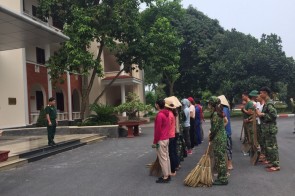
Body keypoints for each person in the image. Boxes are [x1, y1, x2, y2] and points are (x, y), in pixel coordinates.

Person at [256, 87, 280, 172]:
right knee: (268, 146)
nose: (260, 94)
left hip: (270, 129)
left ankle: (276, 165)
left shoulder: (269, 103)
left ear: (265, 93)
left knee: (272, 147)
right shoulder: (267, 103)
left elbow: (274, 115)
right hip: (267, 129)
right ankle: (271, 162)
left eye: (261, 93)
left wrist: (262, 114)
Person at [208, 96, 228, 185]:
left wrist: (211, 137)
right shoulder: (219, 112)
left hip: (218, 138)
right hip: (221, 137)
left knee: (220, 159)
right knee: (220, 158)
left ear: (212, 104)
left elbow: (215, 128)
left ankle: (223, 179)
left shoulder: (216, 114)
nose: (208, 105)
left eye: (209, 103)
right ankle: (221, 176)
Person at [153, 99, 171, 183]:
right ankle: (168, 173)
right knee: (166, 157)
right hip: (166, 138)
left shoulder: (160, 115)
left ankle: (165, 176)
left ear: (157, 105)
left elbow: (158, 130)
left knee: (162, 159)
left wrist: (155, 141)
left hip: (161, 139)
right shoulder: (167, 113)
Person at [218, 95, 233, 170]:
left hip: (225, 131)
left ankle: (230, 164)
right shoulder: (224, 108)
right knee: (225, 148)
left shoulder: (224, 109)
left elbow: (225, 121)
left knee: (227, 148)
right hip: (226, 131)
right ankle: (226, 163)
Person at [164, 98, 178, 176]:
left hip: (169, 135)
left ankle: (172, 170)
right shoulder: (172, 113)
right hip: (172, 134)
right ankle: (174, 167)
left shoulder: (169, 114)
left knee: (170, 153)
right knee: (172, 152)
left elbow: (167, 126)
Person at [256, 94, 266, 162]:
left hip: (264, 125)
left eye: (258, 97)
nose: (257, 98)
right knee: (260, 140)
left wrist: (257, 110)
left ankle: (264, 155)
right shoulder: (259, 104)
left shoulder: (264, 105)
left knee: (264, 140)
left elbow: (259, 114)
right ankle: (263, 154)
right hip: (259, 123)